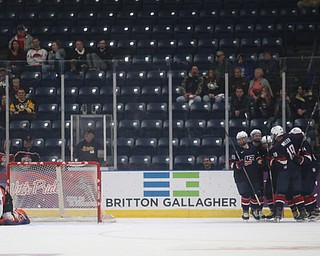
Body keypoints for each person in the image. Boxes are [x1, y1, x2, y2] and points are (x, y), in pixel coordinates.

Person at [269, 125, 307, 221]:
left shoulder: (276, 147)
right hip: (295, 169)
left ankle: (278, 213)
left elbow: (283, 161)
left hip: (284, 171)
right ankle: (302, 212)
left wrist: (272, 160)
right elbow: (302, 135)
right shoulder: (290, 137)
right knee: (297, 192)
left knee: (281, 192)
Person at [230, 131, 263, 221]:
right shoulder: (235, 151)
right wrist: (238, 164)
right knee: (245, 194)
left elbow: (257, 156)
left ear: (246, 138)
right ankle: (245, 211)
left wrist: (259, 160)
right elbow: (231, 164)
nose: (241, 141)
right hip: (241, 177)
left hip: (253, 175)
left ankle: (254, 210)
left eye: (243, 138)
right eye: (239, 140)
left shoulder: (252, 148)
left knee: (255, 193)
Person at [289, 127, 319, 219]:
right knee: (305, 191)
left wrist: (297, 158)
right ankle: (314, 209)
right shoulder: (298, 144)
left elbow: (308, 160)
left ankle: (311, 211)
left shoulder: (304, 144)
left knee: (305, 191)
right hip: (305, 170)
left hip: (310, 169)